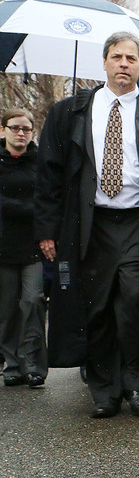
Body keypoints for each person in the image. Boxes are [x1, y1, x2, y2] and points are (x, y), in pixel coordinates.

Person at [36, 32, 139, 419]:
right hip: (90, 225)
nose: (124, 64)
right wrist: (47, 229)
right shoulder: (70, 112)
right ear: (104, 62)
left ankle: (138, 386)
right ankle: (104, 390)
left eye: (131, 58)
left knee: (138, 299)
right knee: (98, 306)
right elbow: (50, 175)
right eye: (117, 57)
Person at [0, 108, 47, 389]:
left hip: (34, 245)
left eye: (26, 129)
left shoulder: (40, 161)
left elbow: (50, 197)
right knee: (6, 308)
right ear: (3, 129)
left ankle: (33, 365)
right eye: (15, 128)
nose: (21, 134)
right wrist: (29, 208)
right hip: (2, 245)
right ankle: (12, 365)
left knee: (33, 302)